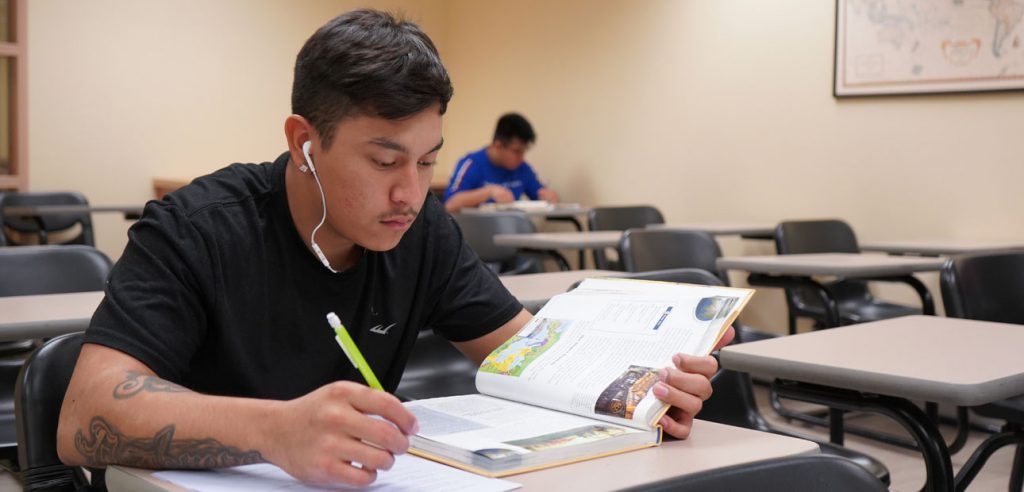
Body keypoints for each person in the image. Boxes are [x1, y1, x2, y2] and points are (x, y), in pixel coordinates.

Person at [56, 9, 731, 488]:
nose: (411, 192)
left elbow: (530, 359)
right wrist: (274, 431)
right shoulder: (196, 228)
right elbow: (85, 414)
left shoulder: (421, 231)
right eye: (384, 161)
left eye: (428, 161)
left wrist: (644, 395)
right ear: (304, 142)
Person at [442, 113, 559, 213]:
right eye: (516, 151)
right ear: (498, 146)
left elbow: (539, 194)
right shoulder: (471, 164)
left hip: (511, 232)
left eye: (524, 151)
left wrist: (548, 196)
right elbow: (450, 205)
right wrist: (488, 192)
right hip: (476, 234)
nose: (521, 157)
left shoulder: (522, 167)